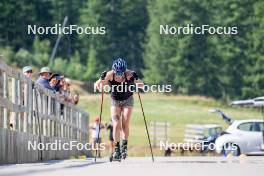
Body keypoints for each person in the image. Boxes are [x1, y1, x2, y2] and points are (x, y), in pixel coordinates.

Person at [95, 58, 144, 160]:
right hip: (115, 101)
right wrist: (101, 79)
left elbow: (141, 86)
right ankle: (116, 150)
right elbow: (98, 87)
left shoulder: (130, 74)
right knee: (116, 124)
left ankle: (124, 147)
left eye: (121, 73)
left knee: (125, 123)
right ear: (114, 70)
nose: (119, 75)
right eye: (117, 73)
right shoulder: (109, 74)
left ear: (125, 70)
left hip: (128, 100)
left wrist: (137, 78)